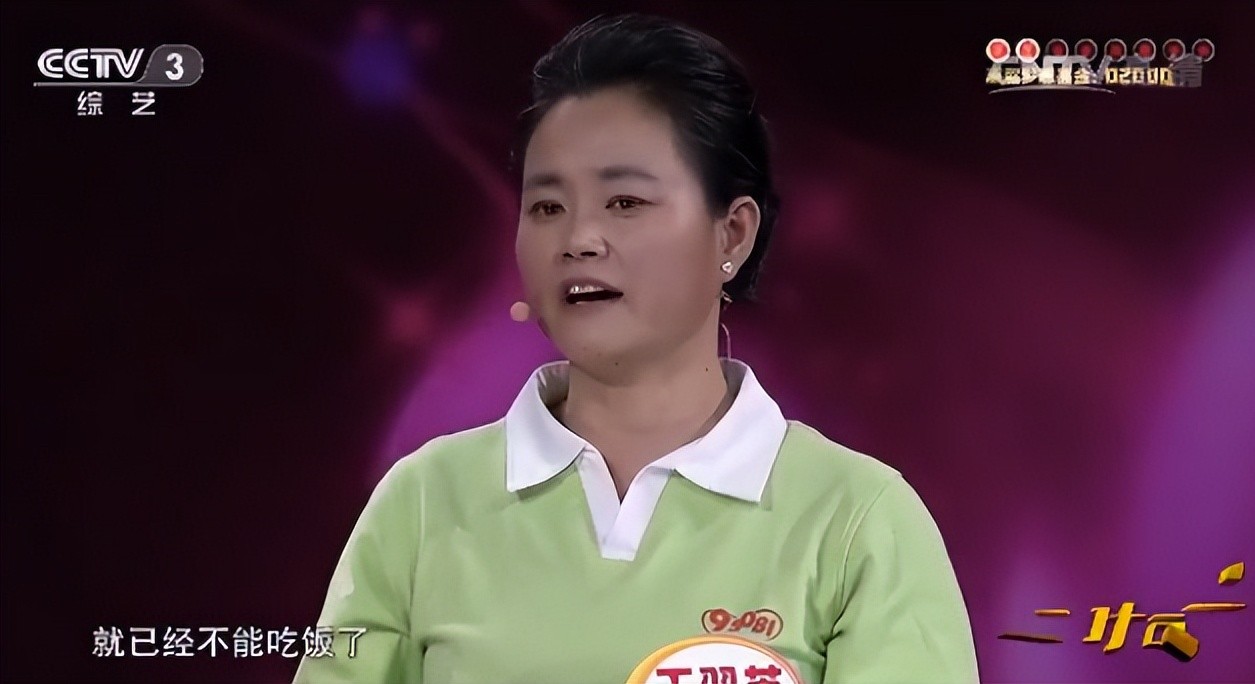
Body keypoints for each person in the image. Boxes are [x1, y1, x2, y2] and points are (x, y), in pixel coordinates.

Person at [294, 12, 978, 684]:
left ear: (733, 234)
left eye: (624, 202)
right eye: (547, 207)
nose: (578, 240)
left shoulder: (857, 519)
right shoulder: (423, 503)